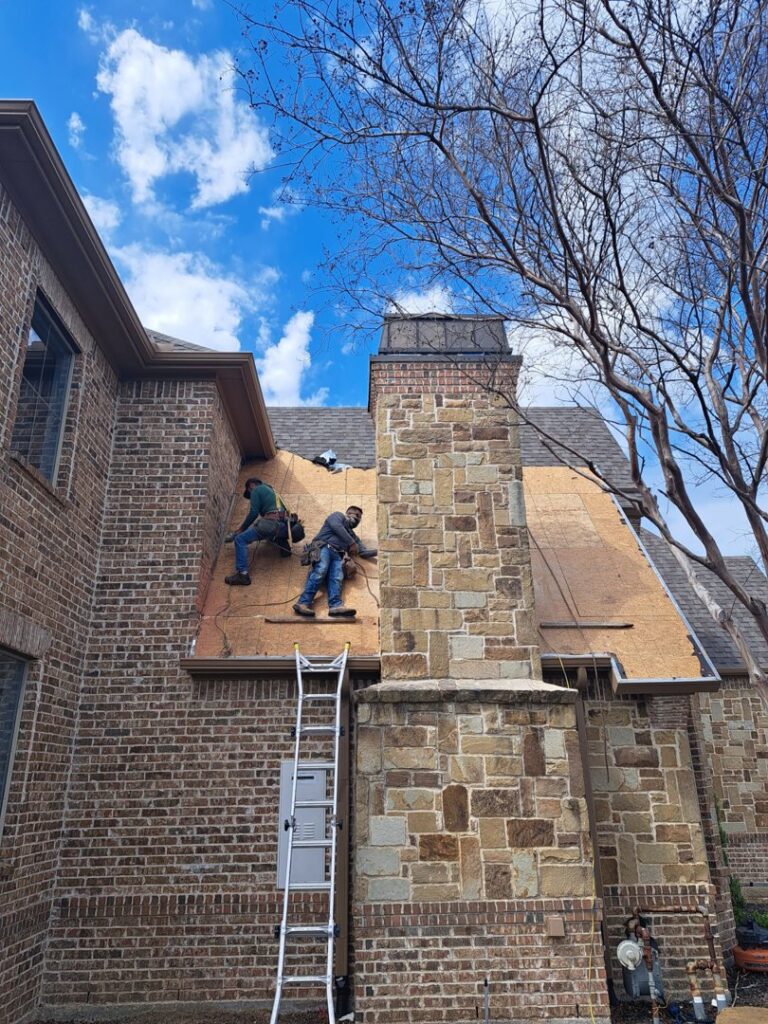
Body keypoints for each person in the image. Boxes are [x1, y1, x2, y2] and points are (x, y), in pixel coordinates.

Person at [293, 506, 377, 617]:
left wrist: (382, 550)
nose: (356, 517)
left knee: (337, 578)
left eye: (359, 517)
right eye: (354, 513)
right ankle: (303, 603)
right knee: (320, 570)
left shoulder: (353, 536)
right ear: (347, 513)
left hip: (338, 555)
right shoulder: (337, 516)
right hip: (324, 548)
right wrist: (351, 543)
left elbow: (363, 552)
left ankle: (335, 606)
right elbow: (336, 527)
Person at [224, 477, 283, 586]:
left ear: (251, 485)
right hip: (283, 526)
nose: (252, 497)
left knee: (240, 539)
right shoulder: (271, 490)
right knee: (268, 532)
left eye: (250, 494)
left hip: (271, 523)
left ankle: (243, 575)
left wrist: (241, 529)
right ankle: (285, 549)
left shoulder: (256, 489)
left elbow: (253, 512)